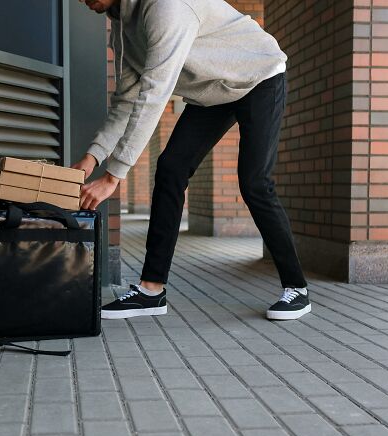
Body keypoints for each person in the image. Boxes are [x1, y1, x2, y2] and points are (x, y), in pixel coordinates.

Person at [72, 0, 311, 321]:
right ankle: (151, 290)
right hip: (214, 90)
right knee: (171, 168)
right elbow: (128, 98)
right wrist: (91, 158)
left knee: (255, 183)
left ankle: (297, 288)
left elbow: (154, 94)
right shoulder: (123, 25)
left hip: (258, 77)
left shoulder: (167, 9)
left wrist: (113, 176)